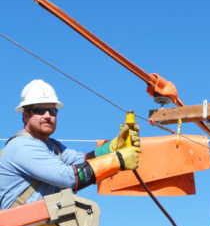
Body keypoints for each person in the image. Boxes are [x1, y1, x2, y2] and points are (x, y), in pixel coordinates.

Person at [0, 80, 140, 210]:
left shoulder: (54, 148)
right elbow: (69, 177)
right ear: (25, 116)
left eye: (52, 111)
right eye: (40, 110)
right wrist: (117, 160)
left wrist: (112, 148)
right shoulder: (21, 146)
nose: (48, 116)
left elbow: (86, 160)